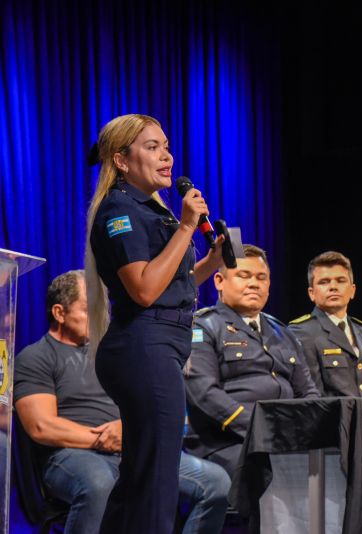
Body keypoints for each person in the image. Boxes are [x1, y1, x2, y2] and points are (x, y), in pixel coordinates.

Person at [84, 114, 224, 533]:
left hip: (158, 346)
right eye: (152, 147)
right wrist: (185, 226)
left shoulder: (151, 210)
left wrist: (209, 263)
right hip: (143, 348)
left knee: (141, 478)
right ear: (121, 160)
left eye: (166, 146)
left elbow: (168, 282)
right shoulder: (119, 212)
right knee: (157, 482)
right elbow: (144, 291)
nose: (167, 156)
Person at [13, 270, 230, 534]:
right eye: (87, 308)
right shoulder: (36, 357)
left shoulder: (112, 350)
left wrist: (129, 432)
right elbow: (41, 426)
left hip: (129, 446)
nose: (99, 316)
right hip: (72, 455)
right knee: (99, 483)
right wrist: (106, 439)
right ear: (59, 313)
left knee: (215, 482)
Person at [184, 244, 319, 476]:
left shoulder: (283, 332)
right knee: (276, 470)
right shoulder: (201, 327)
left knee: (336, 463)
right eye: (243, 276)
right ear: (219, 282)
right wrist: (265, 429)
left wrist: (301, 428)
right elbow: (205, 394)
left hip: (284, 438)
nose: (254, 283)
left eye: (261, 277)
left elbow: (308, 392)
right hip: (226, 442)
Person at [288, 251, 362, 398]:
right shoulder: (301, 332)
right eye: (324, 282)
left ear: (352, 290)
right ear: (311, 293)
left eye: (341, 280)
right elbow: (311, 399)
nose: (333, 287)